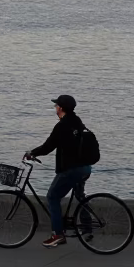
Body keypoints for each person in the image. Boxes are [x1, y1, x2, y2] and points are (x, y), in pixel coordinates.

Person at [25, 94, 93, 248]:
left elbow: (48, 146)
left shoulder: (62, 126)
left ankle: (58, 235)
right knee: (80, 196)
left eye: (56, 106)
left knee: (52, 197)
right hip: (85, 167)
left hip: (71, 170)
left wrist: (32, 153)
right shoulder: (77, 121)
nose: (55, 108)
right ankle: (88, 229)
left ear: (61, 108)